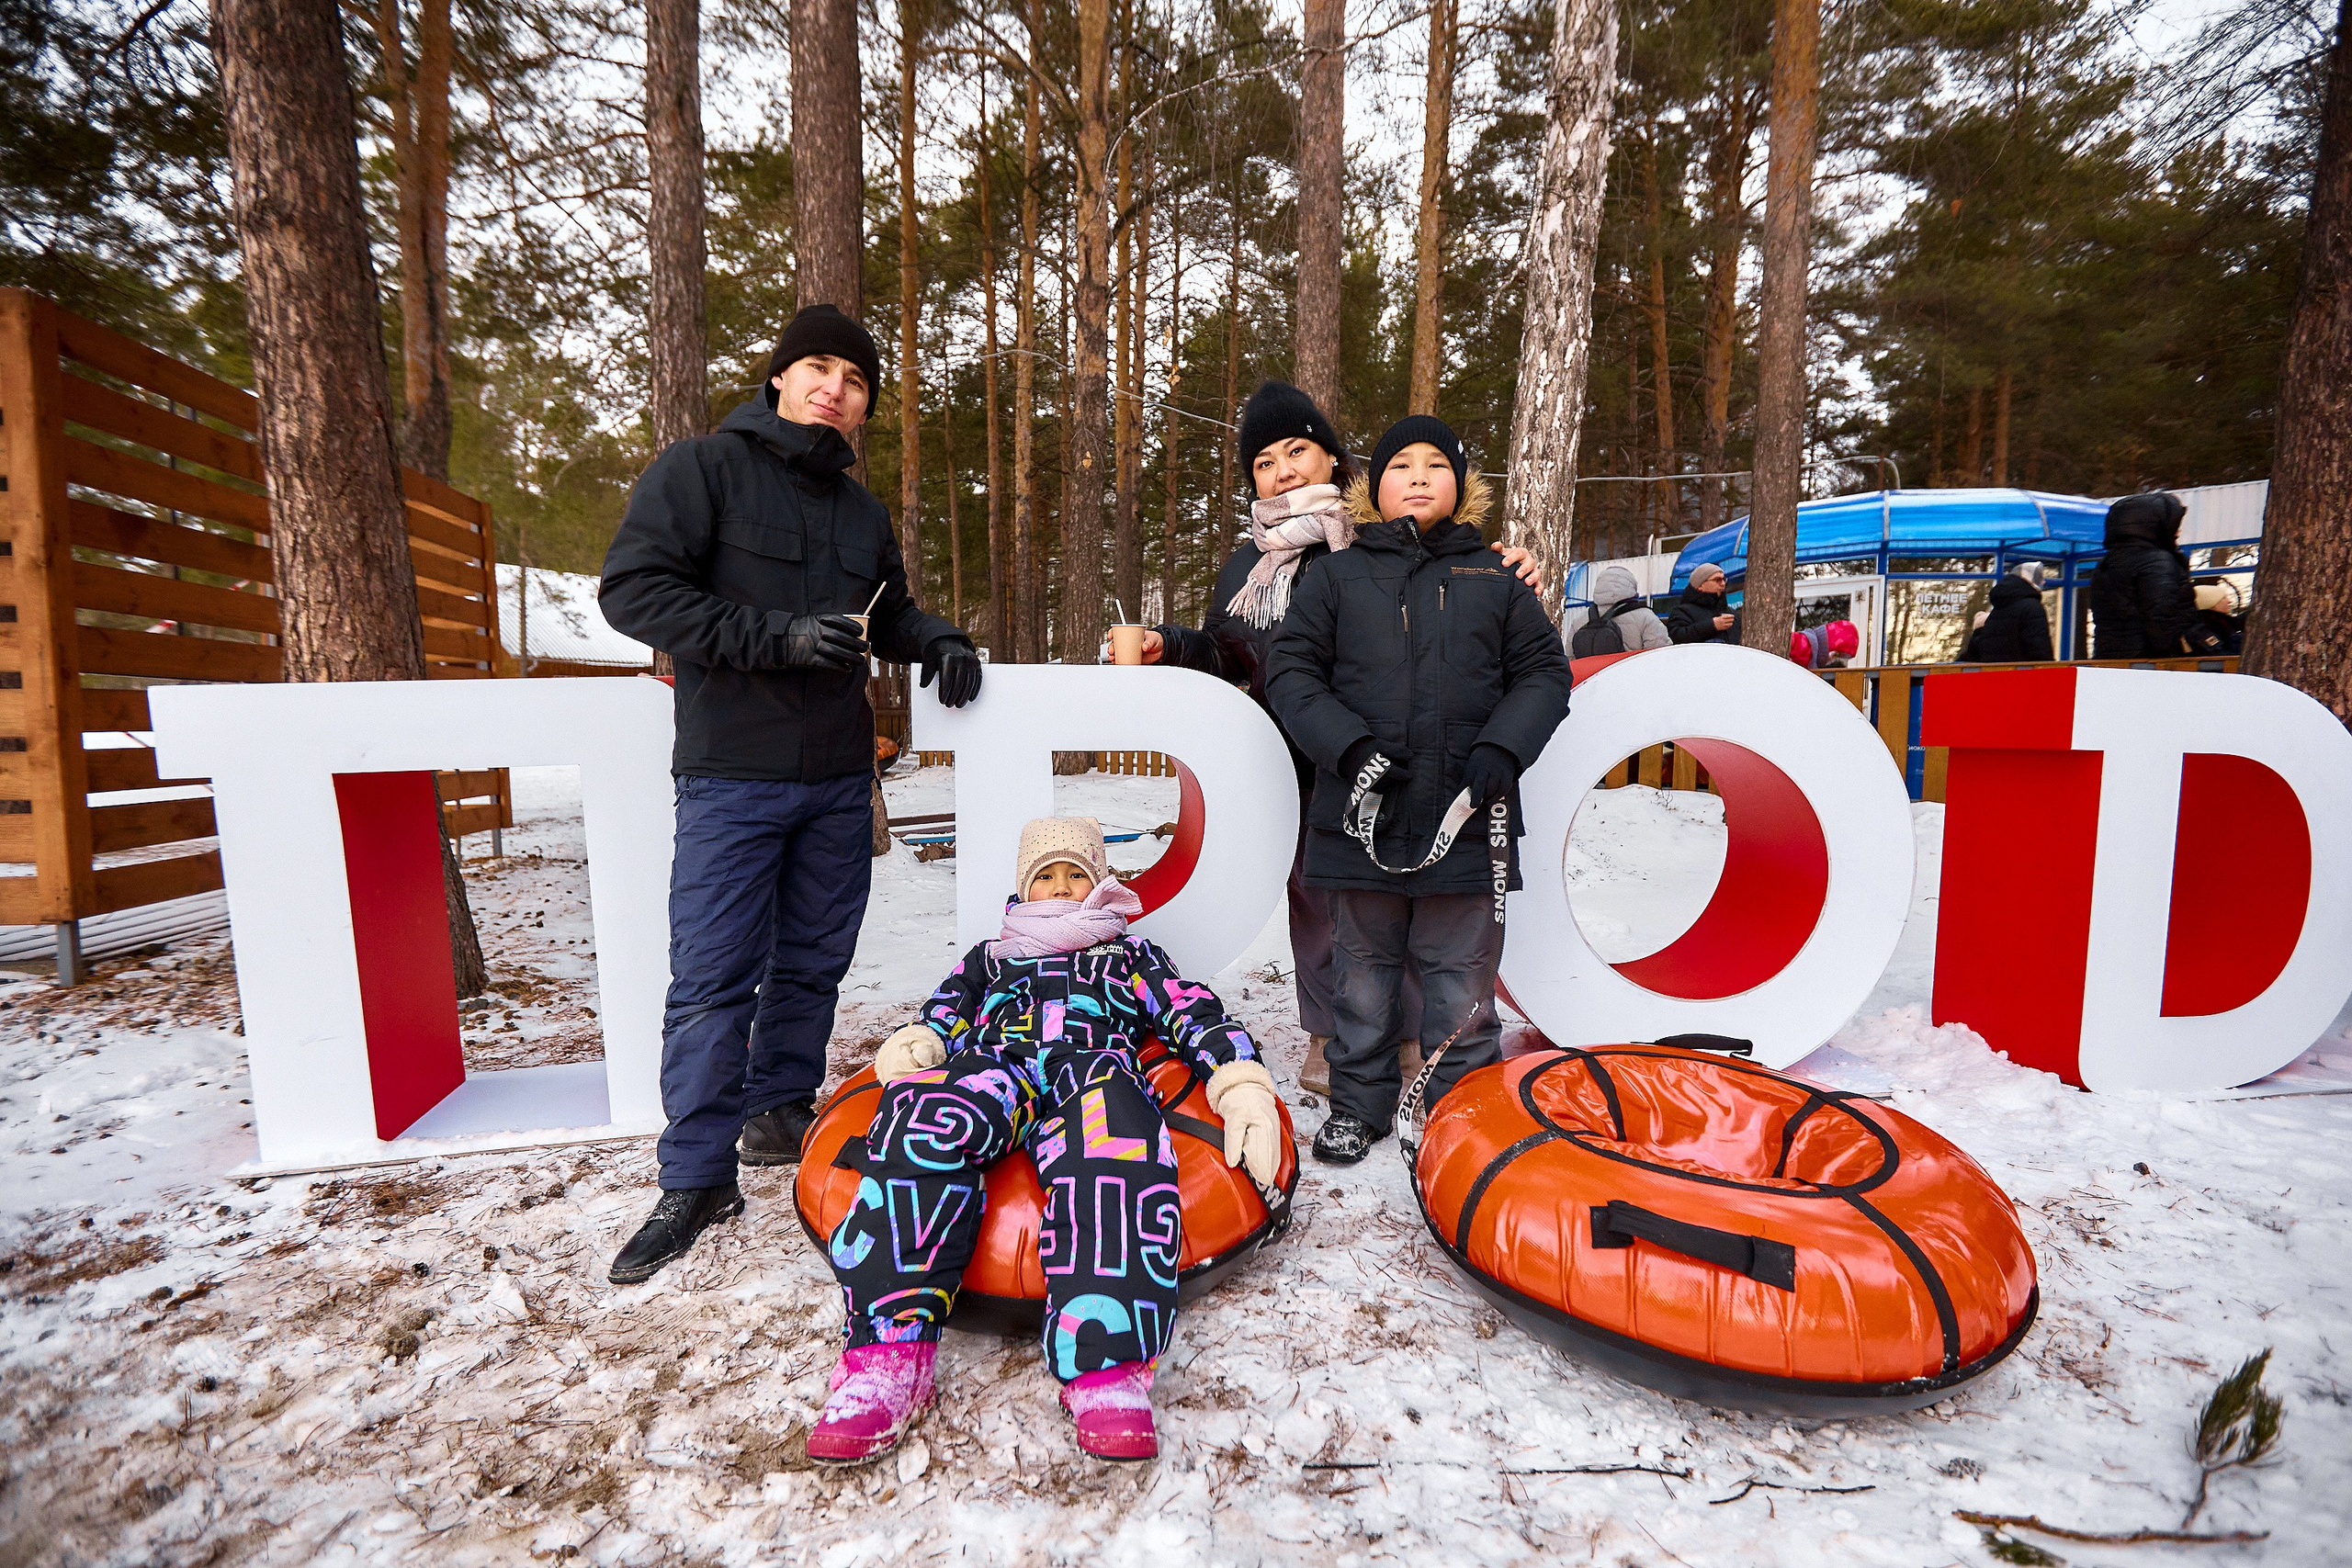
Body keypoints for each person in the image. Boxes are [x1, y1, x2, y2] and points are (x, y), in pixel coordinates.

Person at [598, 305, 984, 1286]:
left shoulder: (861, 513)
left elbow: (884, 609)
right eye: (818, 368)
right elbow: (633, 590)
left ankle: (778, 1116)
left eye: (855, 381)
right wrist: (775, 638)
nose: (835, 389)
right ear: (779, 379)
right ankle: (693, 1180)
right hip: (733, 772)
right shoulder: (702, 470)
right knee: (714, 976)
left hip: (836, 776)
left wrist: (935, 637)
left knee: (814, 959)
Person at [807, 817, 1282, 1465]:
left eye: (1075, 874)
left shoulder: (1128, 953)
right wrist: (925, 1038)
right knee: (924, 1120)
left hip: (1093, 1067)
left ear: (1099, 883)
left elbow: (1191, 1009)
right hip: (996, 1062)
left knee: (1116, 1153)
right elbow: (948, 1005)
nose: (1060, 886)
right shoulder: (992, 955)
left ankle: (1105, 1368)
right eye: (1045, 875)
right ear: (1024, 889)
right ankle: (888, 1356)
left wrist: (1236, 1078)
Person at [1138, 382, 1541, 1098]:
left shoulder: (1375, 536)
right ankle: (1331, 1035)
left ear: (1332, 456)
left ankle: (1416, 1035)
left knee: (1407, 894)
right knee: (1319, 907)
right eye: (1263, 462)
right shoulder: (1247, 567)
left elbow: (1451, 569)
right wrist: (1166, 643)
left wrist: (1512, 564)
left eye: (1297, 450)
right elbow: (1230, 653)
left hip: (1390, 760)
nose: (1283, 470)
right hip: (1293, 762)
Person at [1267, 416, 1572, 1165]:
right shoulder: (1336, 578)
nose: (1420, 475)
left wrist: (1505, 746)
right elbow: (1292, 673)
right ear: (1374, 486)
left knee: (1460, 977)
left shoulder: (1496, 578)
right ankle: (1359, 1103)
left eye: (1439, 463)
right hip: (1359, 817)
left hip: (1468, 819)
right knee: (1362, 976)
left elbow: (1544, 673)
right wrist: (1351, 746)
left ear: (1461, 487)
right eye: (1401, 462)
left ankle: (1460, 1111)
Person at [2087, 491, 2221, 660]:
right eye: (2174, 524)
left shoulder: (2107, 563)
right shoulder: (2158, 562)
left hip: (2110, 658)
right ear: (2156, 524)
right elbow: (2162, 619)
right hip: (2150, 663)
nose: (2178, 531)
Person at [1569, 564, 1672, 656]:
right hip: (1631, 676)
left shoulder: (1580, 620)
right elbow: (1661, 655)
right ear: (1631, 587)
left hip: (1592, 676)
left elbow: (1569, 658)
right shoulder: (1645, 617)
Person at [1960, 565, 2054, 662]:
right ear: (2032, 579)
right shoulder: (2032, 607)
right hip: (2021, 675)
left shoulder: (1999, 607)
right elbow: (2040, 651)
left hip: (1994, 675)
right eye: (2040, 578)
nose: (2043, 582)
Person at [1667, 563, 1740, 644]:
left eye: (1724, 579)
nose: (1723, 584)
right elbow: (1676, 637)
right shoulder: (1683, 612)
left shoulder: (1731, 613)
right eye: (1717, 580)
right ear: (1700, 585)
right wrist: (1712, 626)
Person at [1788, 620, 1861, 669]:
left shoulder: (1812, 656)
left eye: (1836, 657)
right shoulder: (1799, 643)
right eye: (1835, 655)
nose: (1831, 660)